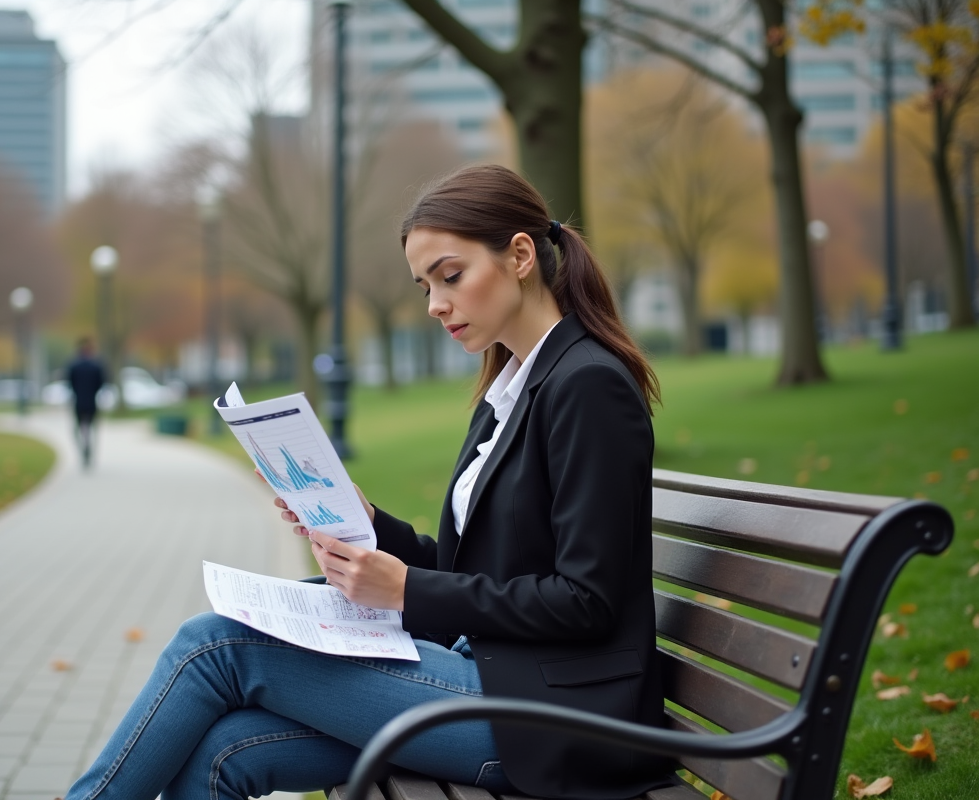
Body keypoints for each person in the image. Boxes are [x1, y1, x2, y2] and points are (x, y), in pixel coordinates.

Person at [63, 165, 675, 800]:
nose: (437, 304)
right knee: (224, 750)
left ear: (520, 255)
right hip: (489, 677)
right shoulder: (511, 389)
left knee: (213, 645)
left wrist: (405, 589)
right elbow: (481, 570)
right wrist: (370, 525)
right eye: (425, 286)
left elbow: (585, 600)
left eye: (452, 276)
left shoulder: (587, 386)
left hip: (556, 721)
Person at [67, 337, 106, 469]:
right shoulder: (96, 365)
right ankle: (89, 449)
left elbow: (69, 383)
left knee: (77, 429)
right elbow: (101, 383)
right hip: (92, 401)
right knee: (92, 428)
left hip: (79, 401)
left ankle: (84, 449)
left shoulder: (74, 365)